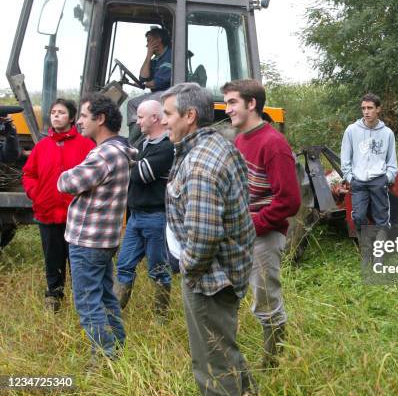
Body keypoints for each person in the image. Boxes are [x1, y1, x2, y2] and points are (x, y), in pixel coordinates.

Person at [161, 83, 256, 395]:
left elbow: (203, 237)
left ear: (190, 116)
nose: (164, 121)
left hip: (211, 280)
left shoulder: (200, 163)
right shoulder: (218, 146)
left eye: (167, 114)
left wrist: (188, 269)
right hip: (223, 273)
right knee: (224, 350)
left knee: (212, 364)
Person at [223, 79, 301, 367]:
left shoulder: (273, 143)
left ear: (251, 103)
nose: (227, 109)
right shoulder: (241, 139)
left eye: (232, 102)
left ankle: (273, 364)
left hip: (263, 235)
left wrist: (253, 224)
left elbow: (290, 201)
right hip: (241, 233)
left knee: (266, 301)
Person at [58, 93, 137, 360]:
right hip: (105, 240)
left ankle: (104, 357)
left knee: (88, 302)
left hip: (88, 241)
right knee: (105, 297)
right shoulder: (121, 150)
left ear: (100, 118)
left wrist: (65, 172)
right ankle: (118, 347)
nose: (78, 121)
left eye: (82, 115)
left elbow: (67, 183)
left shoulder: (104, 154)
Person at [22, 99, 95, 312]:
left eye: (61, 112)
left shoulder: (86, 145)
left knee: (78, 261)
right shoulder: (42, 146)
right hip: (47, 213)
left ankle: (82, 301)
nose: (55, 116)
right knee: (52, 259)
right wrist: (36, 194)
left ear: (72, 118)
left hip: (77, 217)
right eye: (53, 112)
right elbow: (29, 174)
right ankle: (53, 297)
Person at [113, 100, 174, 320]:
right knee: (124, 265)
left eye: (140, 117)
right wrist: (131, 163)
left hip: (156, 217)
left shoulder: (167, 147)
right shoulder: (143, 143)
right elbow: (134, 168)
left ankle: (161, 319)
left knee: (158, 269)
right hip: (135, 217)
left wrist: (127, 163)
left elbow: (141, 175)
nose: (136, 121)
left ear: (155, 118)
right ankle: (115, 315)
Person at [340, 93, 398, 241]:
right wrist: (350, 178)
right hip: (358, 181)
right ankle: (367, 244)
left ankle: (379, 253)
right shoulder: (351, 130)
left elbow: (392, 162)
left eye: (370, 108)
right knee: (358, 217)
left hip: (379, 181)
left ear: (378, 109)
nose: (366, 112)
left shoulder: (387, 133)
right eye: (363, 108)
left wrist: (387, 178)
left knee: (382, 219)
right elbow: (345, 159)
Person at [127, 27, 172, 145]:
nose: (147, 45)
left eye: (149, 41)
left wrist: (145, 84)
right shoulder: (155, 59)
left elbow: (158, 82)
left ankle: (131, 143)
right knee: (131, 103)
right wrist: (148, 56)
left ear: (159, 40)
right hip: (157, 94)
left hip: (168, 94)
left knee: (141, 105)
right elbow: (143, 77)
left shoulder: (170, 56)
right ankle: (135, 140)